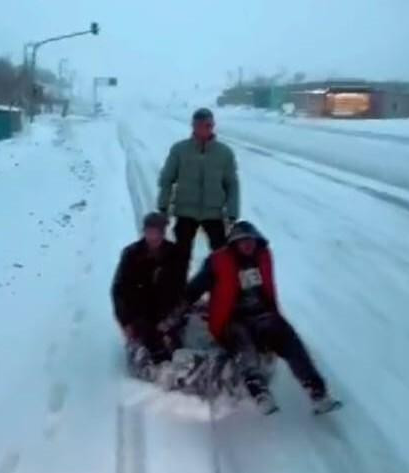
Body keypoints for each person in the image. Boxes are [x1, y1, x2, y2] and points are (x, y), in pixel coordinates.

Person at [182, 220, 341, 415]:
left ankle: (316, 391)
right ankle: (259, 392)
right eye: (242, 241)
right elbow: (195, 289)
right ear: (234, 244)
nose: (247, 245)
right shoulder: (218, 262)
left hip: (261, 315)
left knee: (290, 340)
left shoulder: (262, 258)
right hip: (231, 319)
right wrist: (179, 308)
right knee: (243, 344)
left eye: (251, 241)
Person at [157, 107, 240, 287]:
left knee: (221, 257)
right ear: (193, 126)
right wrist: (163, 208)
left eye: (209, 125)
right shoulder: (180, 150)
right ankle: (178, 297)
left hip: (214, 214)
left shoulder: (224, 153)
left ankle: (221, 294)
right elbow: (167, 179)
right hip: (185, 211)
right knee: (181, 257)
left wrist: (232, 212)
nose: (205, 128)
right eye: (201, 125)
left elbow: (232, 184)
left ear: (213, 126)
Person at [111, 212, 182, 374]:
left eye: (157, 232)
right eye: (149, 232)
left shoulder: (174, 253)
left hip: (166, 308)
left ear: (163, 233)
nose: (153, 236)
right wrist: (125, 321)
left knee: (179, 339)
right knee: (152, 342)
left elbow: (180, 286)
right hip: (140, 310)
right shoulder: (131, 254)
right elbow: (118, 289)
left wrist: (176, 312)